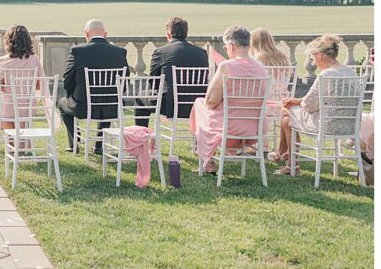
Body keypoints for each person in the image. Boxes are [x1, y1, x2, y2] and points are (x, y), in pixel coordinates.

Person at [271, 34, 359, 176]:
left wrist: (297, 102)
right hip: (349, 125)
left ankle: (291, 163)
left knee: (286, 115)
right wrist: (298, 101)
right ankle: (285, 156)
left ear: (320, 55)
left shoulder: (325, 75)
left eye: (312, 58)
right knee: (289, 115)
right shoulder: (352, 73)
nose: (313, 62)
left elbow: (309, 106)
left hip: (326, 124)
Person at [191, 26, 269, 175]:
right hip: (254, 127)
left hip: (229, 127)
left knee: (200, 104)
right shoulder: (260, 68)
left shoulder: (227, 66)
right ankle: (209, 157)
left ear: (232, 46)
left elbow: (210, 101)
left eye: (226, 46)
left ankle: (208, 159)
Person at [57, 19, 129, 154]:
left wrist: (71, 95)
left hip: (82, 107)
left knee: (62, 103)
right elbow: (124, 82)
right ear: (105, 34)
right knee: (106, 101)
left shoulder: (77, 52)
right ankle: (98, 145)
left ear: (86, 34)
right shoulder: (120, 52)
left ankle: (74, 144)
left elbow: (67, 80)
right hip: (113, 108)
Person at [135, 17, 209, 127]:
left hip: (169, 105)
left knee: (140, 97)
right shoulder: (202, 53)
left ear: (169, 34)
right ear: (186, 33)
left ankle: (140, 138)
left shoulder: (160, 52)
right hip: (196, 106)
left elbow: (153, 82)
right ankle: (198, 144)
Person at [0, 25, 45, 130]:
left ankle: (11, 142)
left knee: (3, 105)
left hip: (9, 106)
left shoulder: (3, 61)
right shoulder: (34, 60)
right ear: (28, 41)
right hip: (28, 106)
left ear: (9, 41)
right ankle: (22, 143)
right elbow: (38, 86)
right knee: (20, 118)